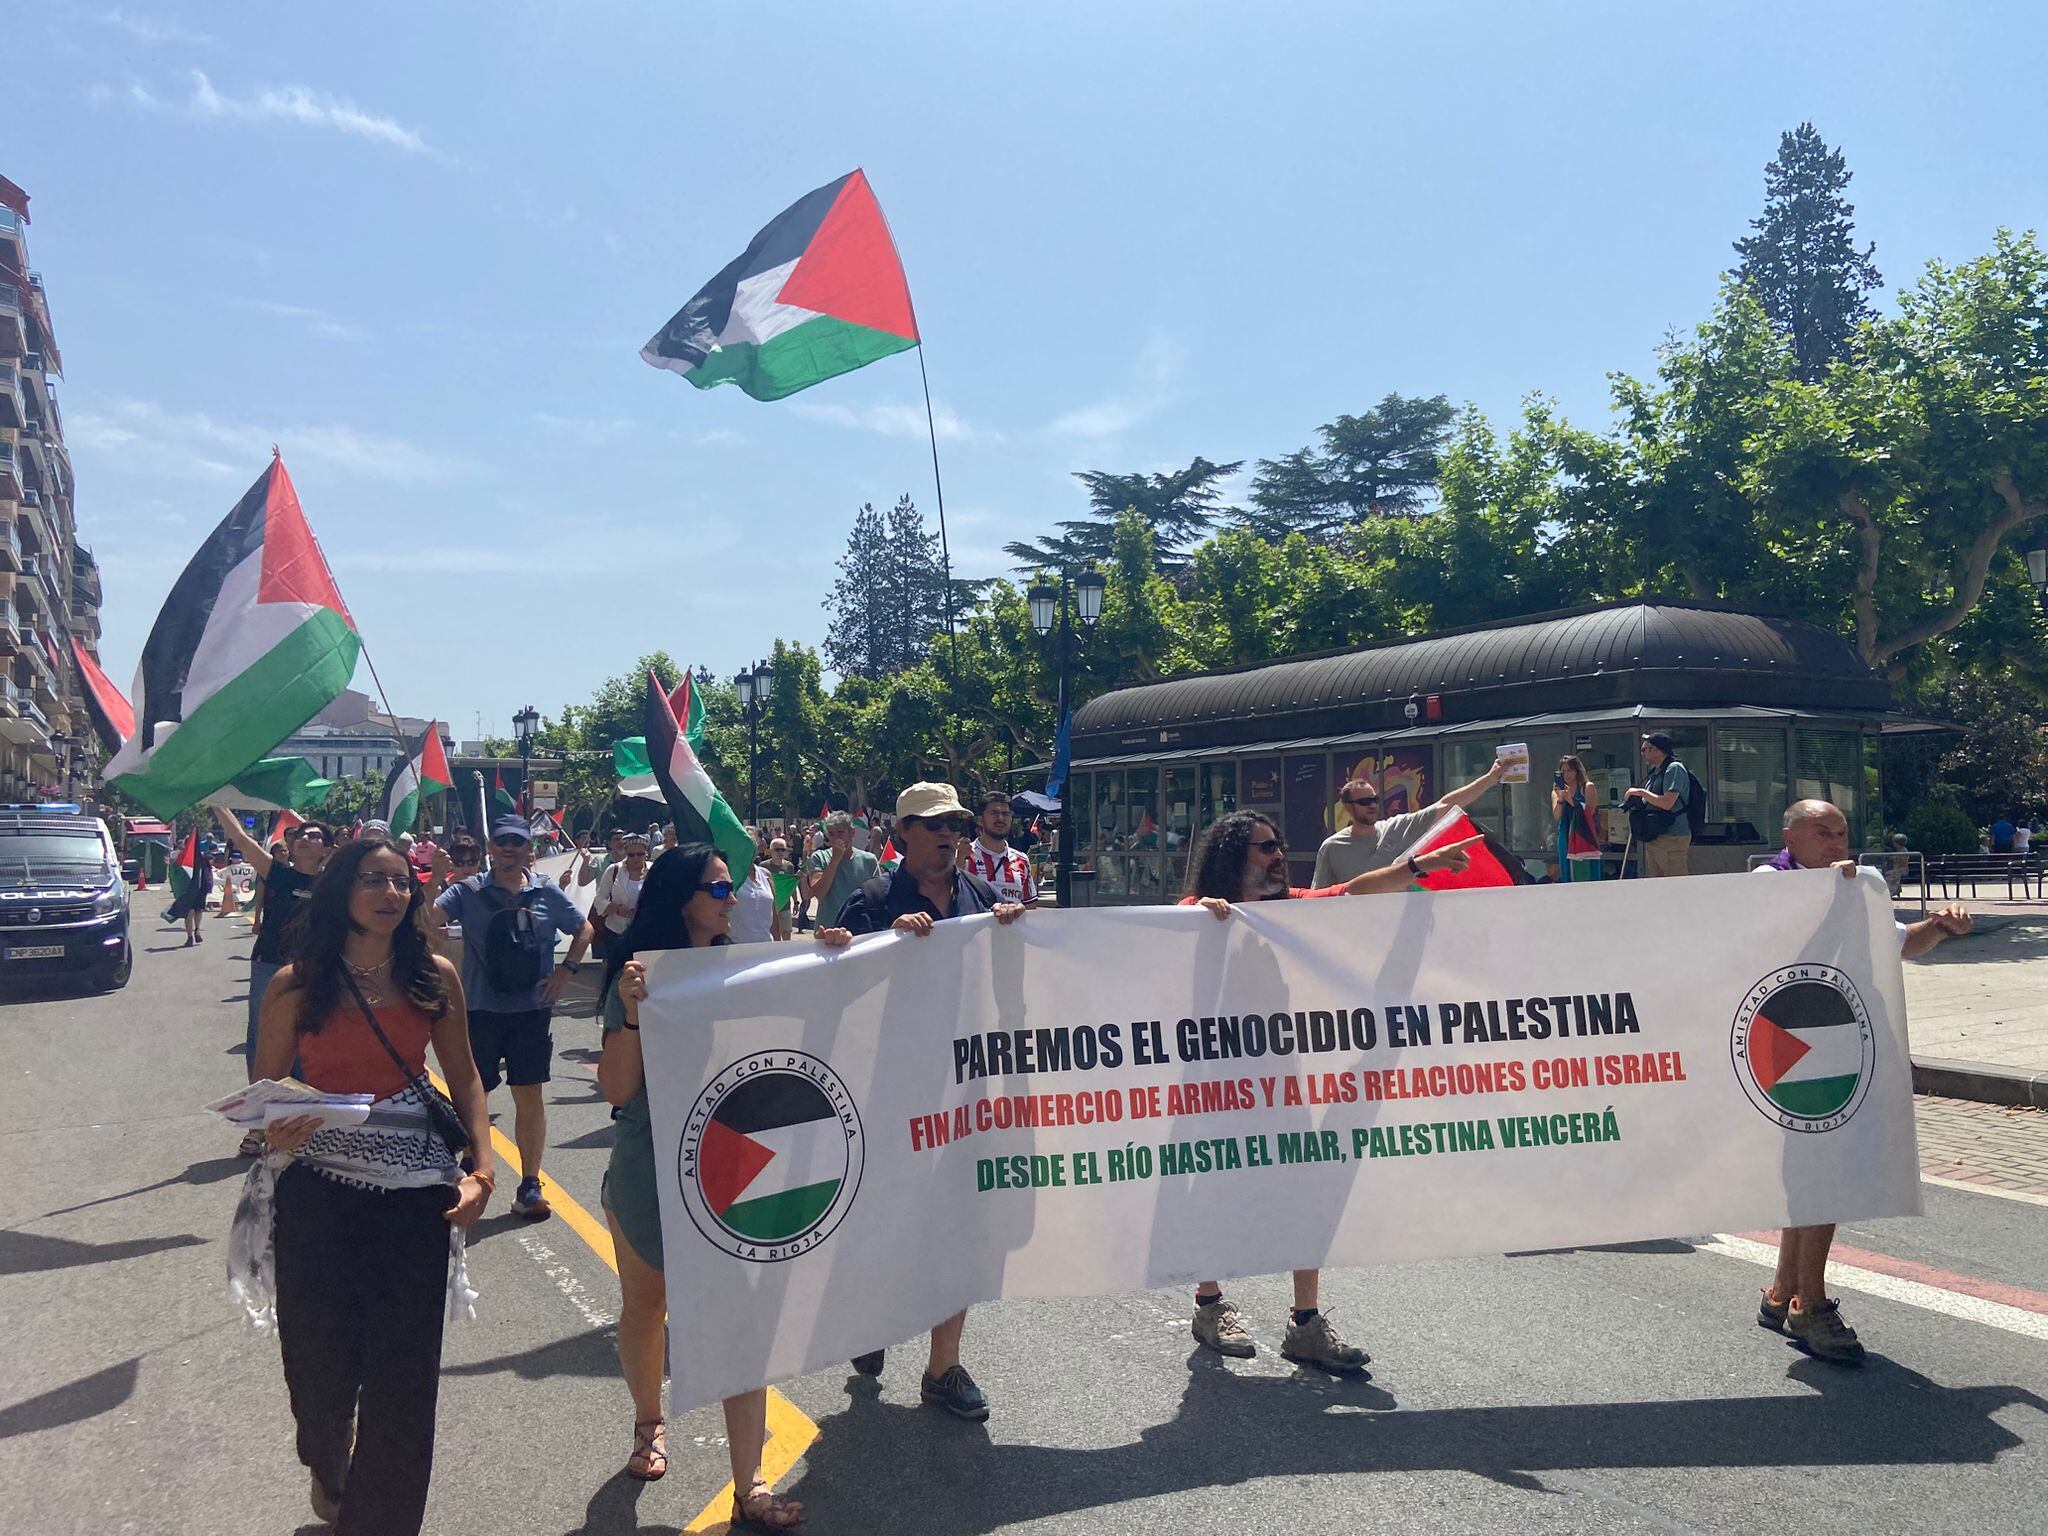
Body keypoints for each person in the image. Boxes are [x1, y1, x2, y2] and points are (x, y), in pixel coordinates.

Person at [241, 836, 493, 1535]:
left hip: (416, 1193)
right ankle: (328, 1464)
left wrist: (483, 1168)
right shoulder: (296, 983)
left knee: (404, 1377)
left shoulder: (435, 975)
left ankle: (379, 1522)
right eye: (373, 881)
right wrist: (277, 1125)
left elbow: (465, 1074)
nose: (391, 893)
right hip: (319, 1190)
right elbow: (266, 1091)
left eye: (401, 881)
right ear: (342, 892)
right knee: (319, 1374)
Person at [1177, 810, 1479, 1370]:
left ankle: (1306, 1323)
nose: (1277, 856)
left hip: (1282, 1074)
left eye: (1279, 845)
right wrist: (1203, 919)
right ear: (1233, 856)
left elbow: (1353, 890)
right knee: (1217, 1186)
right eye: (1266, 848)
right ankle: (1209, 1302)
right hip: (1217, 1079)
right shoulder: (1196, 914)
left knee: (1306, 1187)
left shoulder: (1289, 908)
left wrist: (1420, 865)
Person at [596, 843, 834, 1528]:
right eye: (719, 886)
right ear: (682, 899)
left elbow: (815, 1018)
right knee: (648, 1307)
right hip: (648, 1165)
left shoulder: (747, 970)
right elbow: (616, 1087)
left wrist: (837, 952)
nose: (733, 896)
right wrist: (635, 1010)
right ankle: (649, 1423)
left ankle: (749, 1483)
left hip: (731, 1164)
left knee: (740, 1317)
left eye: (732, 886)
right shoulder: (637, 977)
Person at [832, 784, 1028, 1420]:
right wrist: (877, 946)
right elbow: (834, 991)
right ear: (904, 832)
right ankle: (869, 1319)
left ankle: (943, 1369)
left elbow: (1018, 990)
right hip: (889, 1092)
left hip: (966, 1094)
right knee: (887, 1220)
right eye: (936, 824)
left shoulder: (988, 901)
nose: (950, 834)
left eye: (957, 825)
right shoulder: (871, 903)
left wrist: (1014, 935)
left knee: (961, 1226)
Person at [1751, 799, 1971, 1364]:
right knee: (1822, 1172)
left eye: (1842, 832)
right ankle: (1811, 1308)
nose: (1835, 842)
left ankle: (1782, 1293)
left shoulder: (1856, 888)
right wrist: (1830, 891)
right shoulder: (1767, 880)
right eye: (1822, 832)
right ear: (1789, 837)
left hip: (1834, 1037)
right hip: (1786, 1042)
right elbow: (1775, 933)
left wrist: (1938, 929)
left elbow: (1902, 942)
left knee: (1814, 1171)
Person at [433, 814, 595, 1221]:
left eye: (516, 842)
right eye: (501, 841)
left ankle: (529, 1183)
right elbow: (424, 923)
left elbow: (585, 929)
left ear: (529, 849)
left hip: (531, 1012)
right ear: (490, 848)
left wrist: (566, 971)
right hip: (480, 1010)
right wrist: (435, 877)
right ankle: (473, 1170)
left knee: (529, 1095)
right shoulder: (464, 892)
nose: (508, 848)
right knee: (474, 1097)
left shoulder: (546, 893)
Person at [1311, 755, 1510, 886]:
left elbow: (1446, 804)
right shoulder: (1332, 848)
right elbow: (1318, 898)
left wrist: (1491, 778)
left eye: (1374, 800)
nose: (1371, 806)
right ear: (1348, 807)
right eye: (1364, 802)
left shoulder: (1397, 827)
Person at [1622, 733, 1695, 877]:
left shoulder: (1674, 769)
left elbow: (1667, 803)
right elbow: (1651, 800)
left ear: (1657, 750)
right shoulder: (1656, 772)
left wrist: (1641, 792)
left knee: (1674, 886)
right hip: (1655, 836)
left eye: (1645, 749)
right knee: (1657, 886)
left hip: (1672, 837)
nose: (1642, 753)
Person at [804, 811, 881, 934]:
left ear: (851, 832)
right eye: (831, 834)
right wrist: (835, 860)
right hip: (827, 931)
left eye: (840, 833)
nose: (836, 838)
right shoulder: (819, 857)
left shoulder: (869, 860)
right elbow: (819, 893)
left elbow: (877, 898)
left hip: (859, 931)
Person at [963, 791, 1038, 906]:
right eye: (994, 813)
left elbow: (1030, 907)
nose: (1000, 818)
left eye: (1005, 813)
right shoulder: (964, 856)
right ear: (980, 820)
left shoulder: (1021, 860)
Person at [1551, 755, 1605, 882]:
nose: (1566, 774)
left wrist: (1572, 800)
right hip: (1566, 834)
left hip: (1584, 834)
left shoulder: (1587, 787)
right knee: (1567, 872)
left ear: (1577, 771)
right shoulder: (1556, 791)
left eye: (1569, 770)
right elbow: (1557, 815)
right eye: (1563, 771)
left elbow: (1589, 814)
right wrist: (1560, 800)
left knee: (1587, 874)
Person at [592, 832, 651, 948]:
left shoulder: (653, 870)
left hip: (645, 932)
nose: (635, 858)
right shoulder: (613, 870)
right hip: (616, 931)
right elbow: (599, 900)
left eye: (640, 854)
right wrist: (617, 909)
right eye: (631, 855)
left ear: (646, 853)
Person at [171, 838, 214, 946]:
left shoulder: (183, 857)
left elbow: (175, 874)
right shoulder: (201, 856)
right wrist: (208, 886)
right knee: (198, 910)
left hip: (189, 888)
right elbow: (209, 872)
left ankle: (190, 936)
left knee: (190, 912)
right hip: (198, 888)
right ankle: (197, 930)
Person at [765, 837, 800, 940]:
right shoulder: (764, 866)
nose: (780, 852)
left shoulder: (789, 866)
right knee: (774, 938)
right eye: (777, 849)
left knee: (786, 937)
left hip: (785, 906)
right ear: (771, 851)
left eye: (783, 849)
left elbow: (791, 886)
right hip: (770, 908)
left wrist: (796, 902)